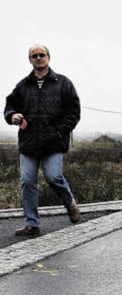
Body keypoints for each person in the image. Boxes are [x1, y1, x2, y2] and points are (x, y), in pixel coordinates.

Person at [4, 44, 81, 235]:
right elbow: (10, 106)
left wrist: (59, 132)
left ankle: (70, 202)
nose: (38, 58)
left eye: (42, 54)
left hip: (54, 143)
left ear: (48, 57)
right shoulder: (22, 85)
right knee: (27, 181)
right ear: (30, 60)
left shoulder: (63, 83)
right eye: (34, 55)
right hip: (29, 143)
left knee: (54, 177)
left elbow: (74, 112)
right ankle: (32, 223)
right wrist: (12, 115)